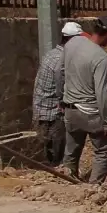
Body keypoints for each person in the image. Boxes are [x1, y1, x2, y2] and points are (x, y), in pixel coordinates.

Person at [62, 16, 107, 182]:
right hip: (91, 113)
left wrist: (62, 100)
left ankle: (65, 185)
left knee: (72, 150)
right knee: (103, 150)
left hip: (70, 109)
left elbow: (61, 73)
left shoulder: (72, 43)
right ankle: (93, 190)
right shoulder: (100, 57)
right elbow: (101, 93)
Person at [32, 21, 84, 165]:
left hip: (44, 110)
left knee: (51, 151)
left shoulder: (52, 54)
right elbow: (62, 85)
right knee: (56, 154)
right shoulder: (60, 59)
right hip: (53, 113)